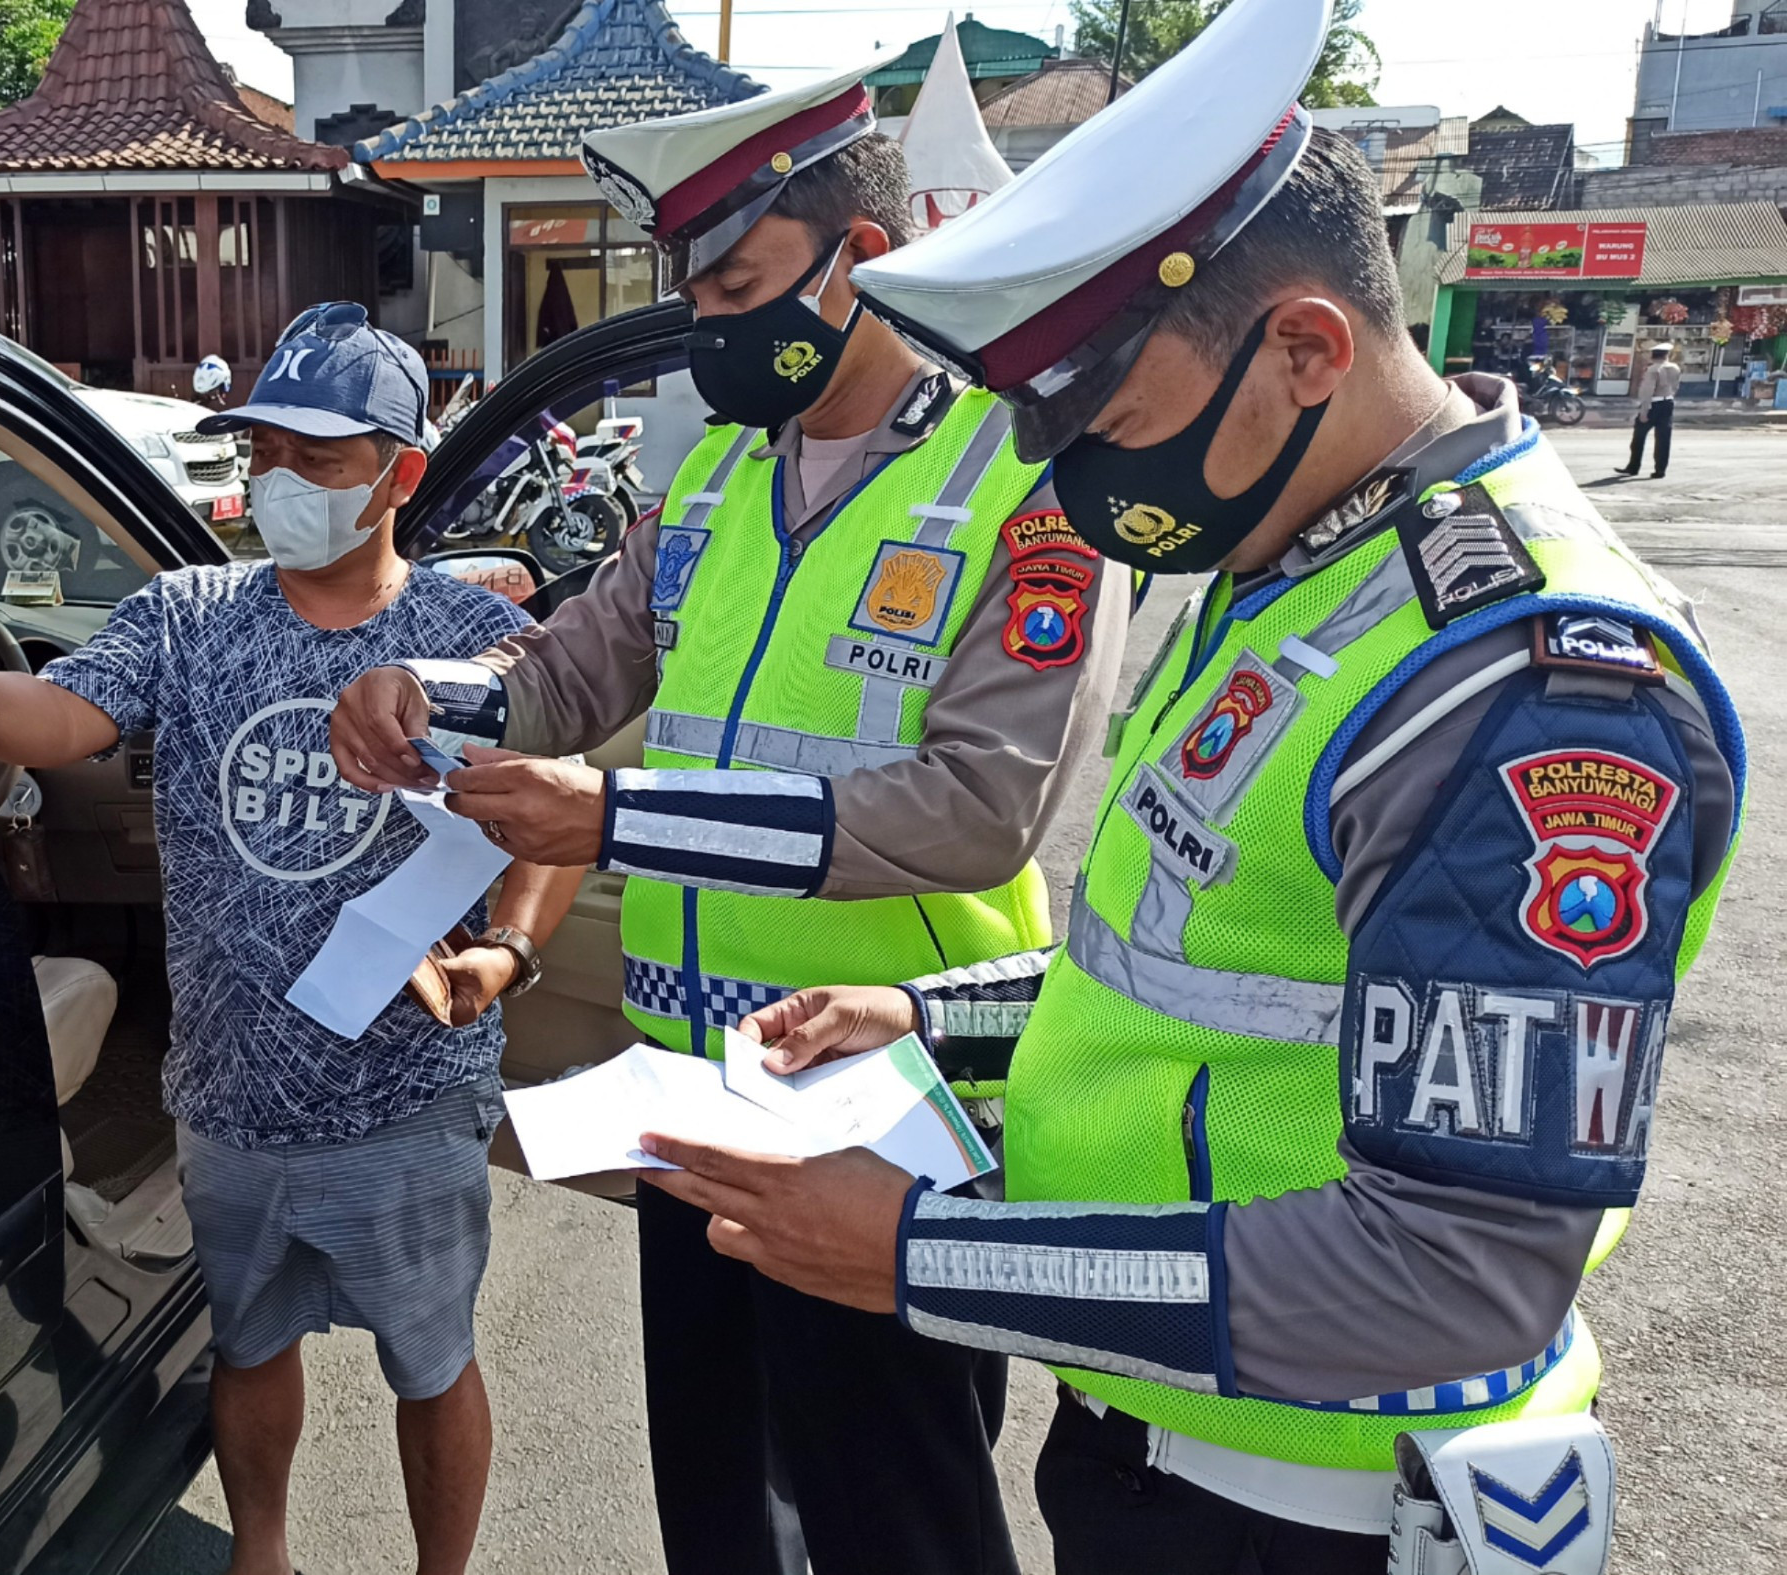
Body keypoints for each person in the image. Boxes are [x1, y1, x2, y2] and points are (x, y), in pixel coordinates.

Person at [637, 0, 1743, 1570]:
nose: (1076, 485)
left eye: (1110, 427)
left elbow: (1450, 1266)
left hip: (1318, 1506)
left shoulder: (1530, 684)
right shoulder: (1293, 558)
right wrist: (942, 1013)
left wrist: (927, 1256)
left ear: (1306, 348)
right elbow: (1227, 977)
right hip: (1171, 1449)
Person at [327, 68, 1128, 1575]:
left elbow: (979, 814)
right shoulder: (710, 475)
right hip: (689, 1087)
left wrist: (619, 816)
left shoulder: (1021, 483)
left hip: (884, 1095)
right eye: (696, 295)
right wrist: (423, 697)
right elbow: (571, 666)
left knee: (894, 1514)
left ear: (863, 256)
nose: (712, 330)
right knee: (718, 1501)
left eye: (742, 288)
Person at [0, 304, 585, 1575]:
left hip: (400, 1090)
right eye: (261, 451)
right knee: (246, 1344)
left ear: (401, 472)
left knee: (430, 1361)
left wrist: (503, 956)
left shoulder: (467, 640)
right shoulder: (189, 613)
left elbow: (548, 821)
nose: (280, 480)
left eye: (317, 458)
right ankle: (260, 1551)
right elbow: (59, 717)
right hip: (227, 1094)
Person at [1616, 342, 1679, 478]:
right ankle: (1660, 470)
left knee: (1638, 438)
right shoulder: (1674, 368)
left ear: (1653, 356)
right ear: (1666, 355)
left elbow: (1647, 391)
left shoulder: (1652, 370)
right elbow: (1675, 386)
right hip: (1668, 402)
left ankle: (1633, 467)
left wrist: (1644, 411)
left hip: (1653, 405)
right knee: (1663, 439)